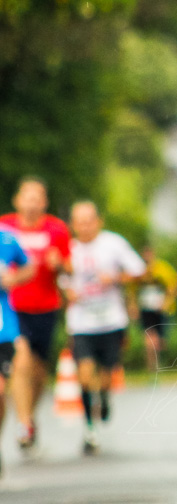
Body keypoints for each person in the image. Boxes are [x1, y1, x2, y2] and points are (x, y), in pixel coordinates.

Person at [61, 201, 146, 454]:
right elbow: (59, 279)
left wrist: (116, 278)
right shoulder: (67, 249)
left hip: (111, 320)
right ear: (72, 225)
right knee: (85, 376)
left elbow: (139, 271)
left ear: (99, 221)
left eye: (89, 220)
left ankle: (105, 397)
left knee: (108, 376)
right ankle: (90, 429)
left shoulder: (113, 243)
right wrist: (67, 292)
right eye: (79, 221)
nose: (84, 226)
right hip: (81, 323)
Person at [0, 177, 72, 453]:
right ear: (17, 200)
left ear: (44, 202)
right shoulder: (4, 227)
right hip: (13, 308)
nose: (31, 203)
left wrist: (59, 265)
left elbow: (68, 268)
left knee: (40, 373)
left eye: (37, 198)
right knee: (22, 360)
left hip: (45, 306)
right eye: (26, 197)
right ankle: (24, 423)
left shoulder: (57, 229)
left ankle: (28, 413)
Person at [0, 229, 35, 476]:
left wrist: (12, 279)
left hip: (3, 328)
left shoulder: (6, 240)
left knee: (1, 391)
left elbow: (29, 266)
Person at [129, 245, 177, 371]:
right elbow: (132, 291)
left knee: (161, 342)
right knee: (149, 340)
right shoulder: (137, 271)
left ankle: (162, 361)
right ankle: (152, 367)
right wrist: (133, 306)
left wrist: (166, 302)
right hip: (146, 309)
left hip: (162, 310)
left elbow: (173, 287)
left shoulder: (163, 268)